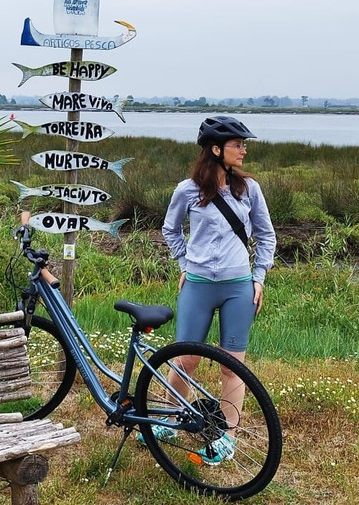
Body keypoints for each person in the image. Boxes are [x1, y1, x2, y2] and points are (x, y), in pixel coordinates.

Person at [150, 115, 277, 464]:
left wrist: (259, 276)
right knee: (185, 359)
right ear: (217, 149)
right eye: (238, 145)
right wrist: (185, 264)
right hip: (199, 285)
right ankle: (169, 421)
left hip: (238, 286)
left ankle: (227, 437)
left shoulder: (250, 189)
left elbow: (267, 235)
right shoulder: (187, 190)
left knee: (231, 366)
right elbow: (170, 229)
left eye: (243, 144)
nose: (244, 150)